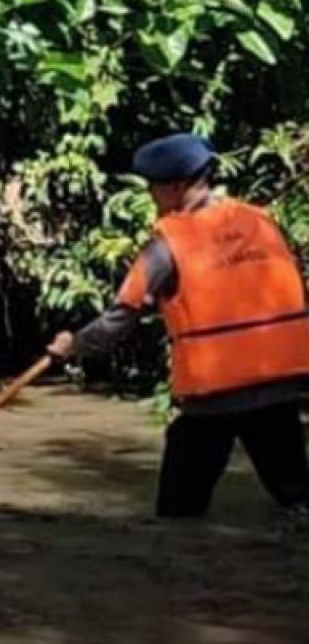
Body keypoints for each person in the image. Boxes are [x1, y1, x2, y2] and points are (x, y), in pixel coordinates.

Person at [48, 132, 309, 521]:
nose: (151, 197)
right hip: (280, 386)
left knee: (177, 513)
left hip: (214, 394)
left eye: (154, 188)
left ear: (176, 187)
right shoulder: (261, 221)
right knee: (297, 497)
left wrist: (73, 345)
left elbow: (121, 316)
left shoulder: (167, 245)